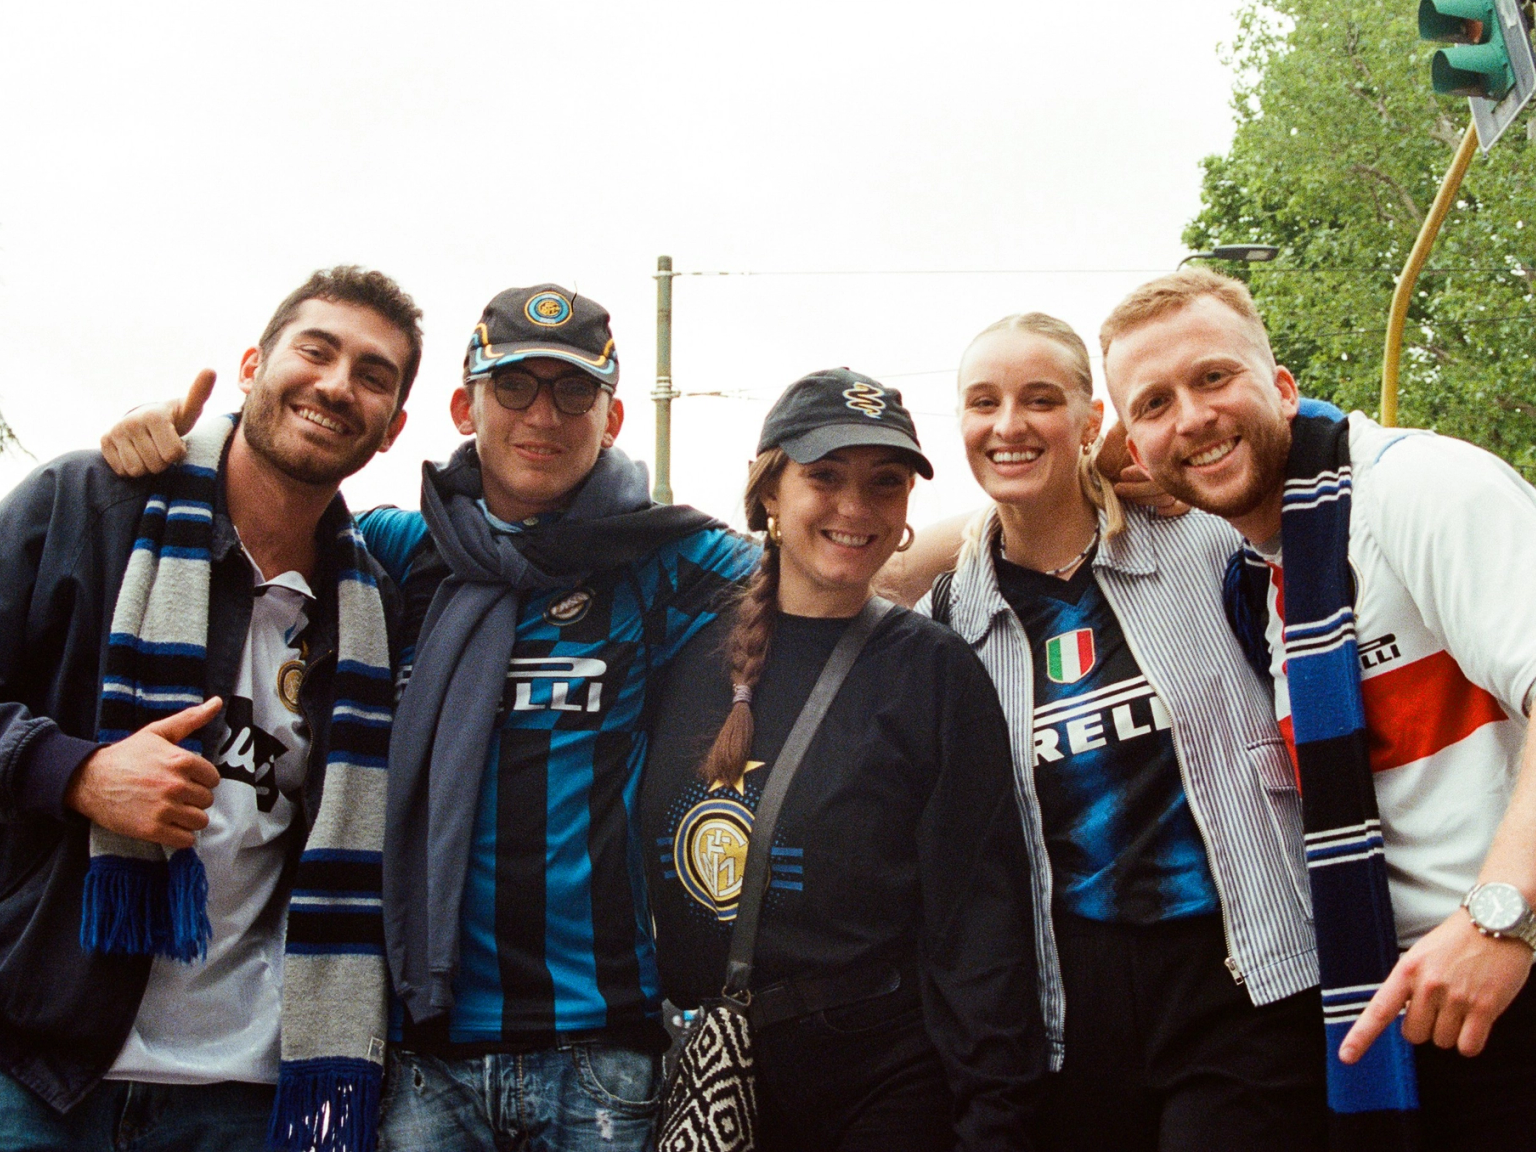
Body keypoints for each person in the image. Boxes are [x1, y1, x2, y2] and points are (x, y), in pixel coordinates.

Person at [1102, 267, 1536, 1148]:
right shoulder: (1264, 579)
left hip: (1505, 958)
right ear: (1134, 453)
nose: (1191, 415)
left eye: (1215, 378)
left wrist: (1504, 918)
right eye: (1154, 404)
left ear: (1284, 387)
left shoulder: (1415, 490)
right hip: (1422, 995)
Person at [0, 266, 419, 1152]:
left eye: (374, 375)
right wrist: (76, 773)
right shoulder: (87, 506)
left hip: (244, 1093)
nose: (338, 384)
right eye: (317, 350)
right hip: (38, 1068)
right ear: (252, 364)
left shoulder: (371, 605)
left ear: (394, 428)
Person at [905, 313, 1325, 1151]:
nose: (1010, 424)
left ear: (1093, 420)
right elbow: (850, 574)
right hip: (1074, 1009)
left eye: (1041, 399)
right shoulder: (951, 619)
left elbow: (1291, 451)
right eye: (983, 403)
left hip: (1238, 980)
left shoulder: (1205, 545)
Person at [641, 369, 1045, 1152]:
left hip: (879, 1081)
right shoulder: (681, 651)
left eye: (884, 484)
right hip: (703, 1073)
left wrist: (997, 1118)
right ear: (769, 494)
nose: (855, 508)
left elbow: (981, 922)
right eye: (824, 477)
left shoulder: (933, 672)